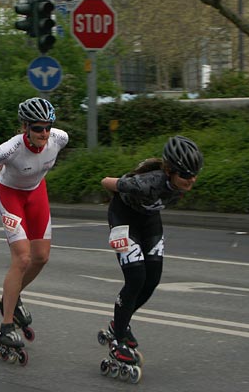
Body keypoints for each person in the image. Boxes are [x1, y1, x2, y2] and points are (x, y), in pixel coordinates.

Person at [100, 135, 203, 364]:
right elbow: (106, 182)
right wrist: (125, 192)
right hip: (123, 217)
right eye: (186, 175)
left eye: (195, 174)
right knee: (136, 277)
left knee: (152, 279)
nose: (192, 179)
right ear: (170, 171)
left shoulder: (178, 180)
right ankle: (118, 340)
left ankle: (119, 324)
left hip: (149, 220)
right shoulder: (147, 183)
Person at [0, 97, 68, 351]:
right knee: (22, 258)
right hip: (10, 193)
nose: (44, 133)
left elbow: (53, 138)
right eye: (37, 128)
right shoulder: (11, 148)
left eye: (47, 127)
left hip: (36, 191)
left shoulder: (60, 138)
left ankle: (13, 297)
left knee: (41, 257)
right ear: (25, 128)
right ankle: (6, 327)